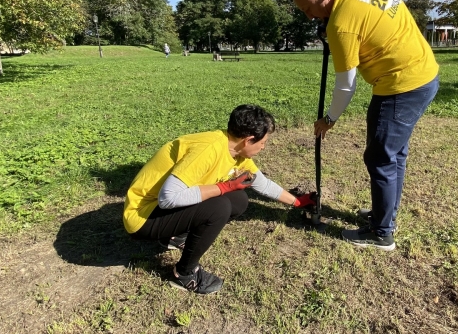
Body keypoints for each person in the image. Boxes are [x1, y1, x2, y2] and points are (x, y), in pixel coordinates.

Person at [289, 0, 440, 251]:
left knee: (380, 158)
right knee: (394, 155)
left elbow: (346, 85)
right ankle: (385, 215)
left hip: (401, 85)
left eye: (308, 8)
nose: (309, 16)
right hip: (423, 74)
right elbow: (367, 20)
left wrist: (329, 119)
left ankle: (381, 233)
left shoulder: (341, 24)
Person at [123, 104, 315, 294]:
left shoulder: (235, 149)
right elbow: (167, 198)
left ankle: (174, 236)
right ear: (248, 140)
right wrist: (225, 187)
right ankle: (184, 274)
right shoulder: (209, 149)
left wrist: (298, 202)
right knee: (219, 207)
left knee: (238, 200)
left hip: (162, 211)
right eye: (263, 142)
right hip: (143, 217)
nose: (264, 147)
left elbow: (261, 183)